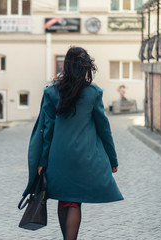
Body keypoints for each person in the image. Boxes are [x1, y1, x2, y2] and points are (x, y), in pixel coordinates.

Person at [35, 46, 123, 239]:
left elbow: (47, 131)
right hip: (84, 157)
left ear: (66, 65)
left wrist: (42, 161)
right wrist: (112, 160)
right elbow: (104, 129)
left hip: (58, 157)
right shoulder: (93, 93)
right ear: (85, 67)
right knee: (74, 202)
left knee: (63, 199)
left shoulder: (51, 92)